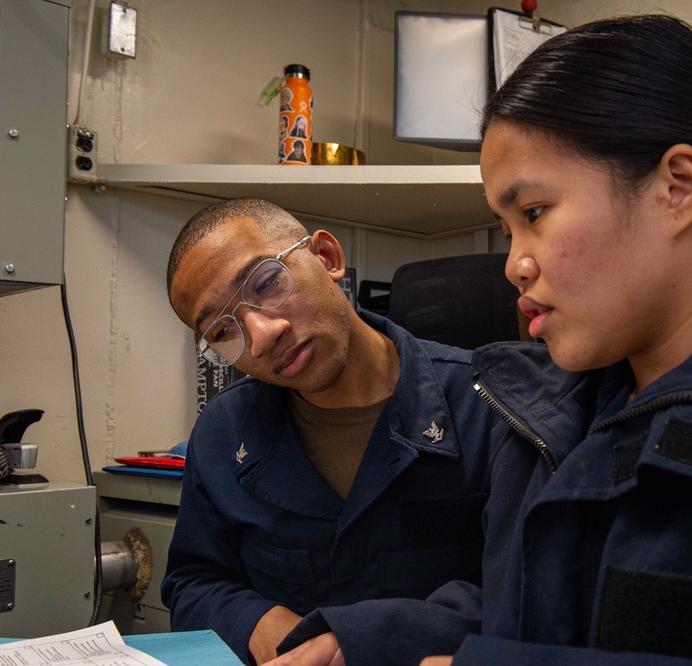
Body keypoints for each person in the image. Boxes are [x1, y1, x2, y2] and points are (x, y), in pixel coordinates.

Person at [268, 14, 692, 666]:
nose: (515, 261)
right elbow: (548, 606)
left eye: (536, 212)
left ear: (678, 187)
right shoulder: (543, 410)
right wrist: (363, 640)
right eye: (507, 227)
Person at [160, 198, 496, 665]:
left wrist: (359, 639)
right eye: (222, 331)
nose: (261, 336)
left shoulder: (490, 406)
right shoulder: (223, 431)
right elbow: (193, 581)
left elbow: (532, 594)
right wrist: (254, 620)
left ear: (328, 258)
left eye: (266, 283)